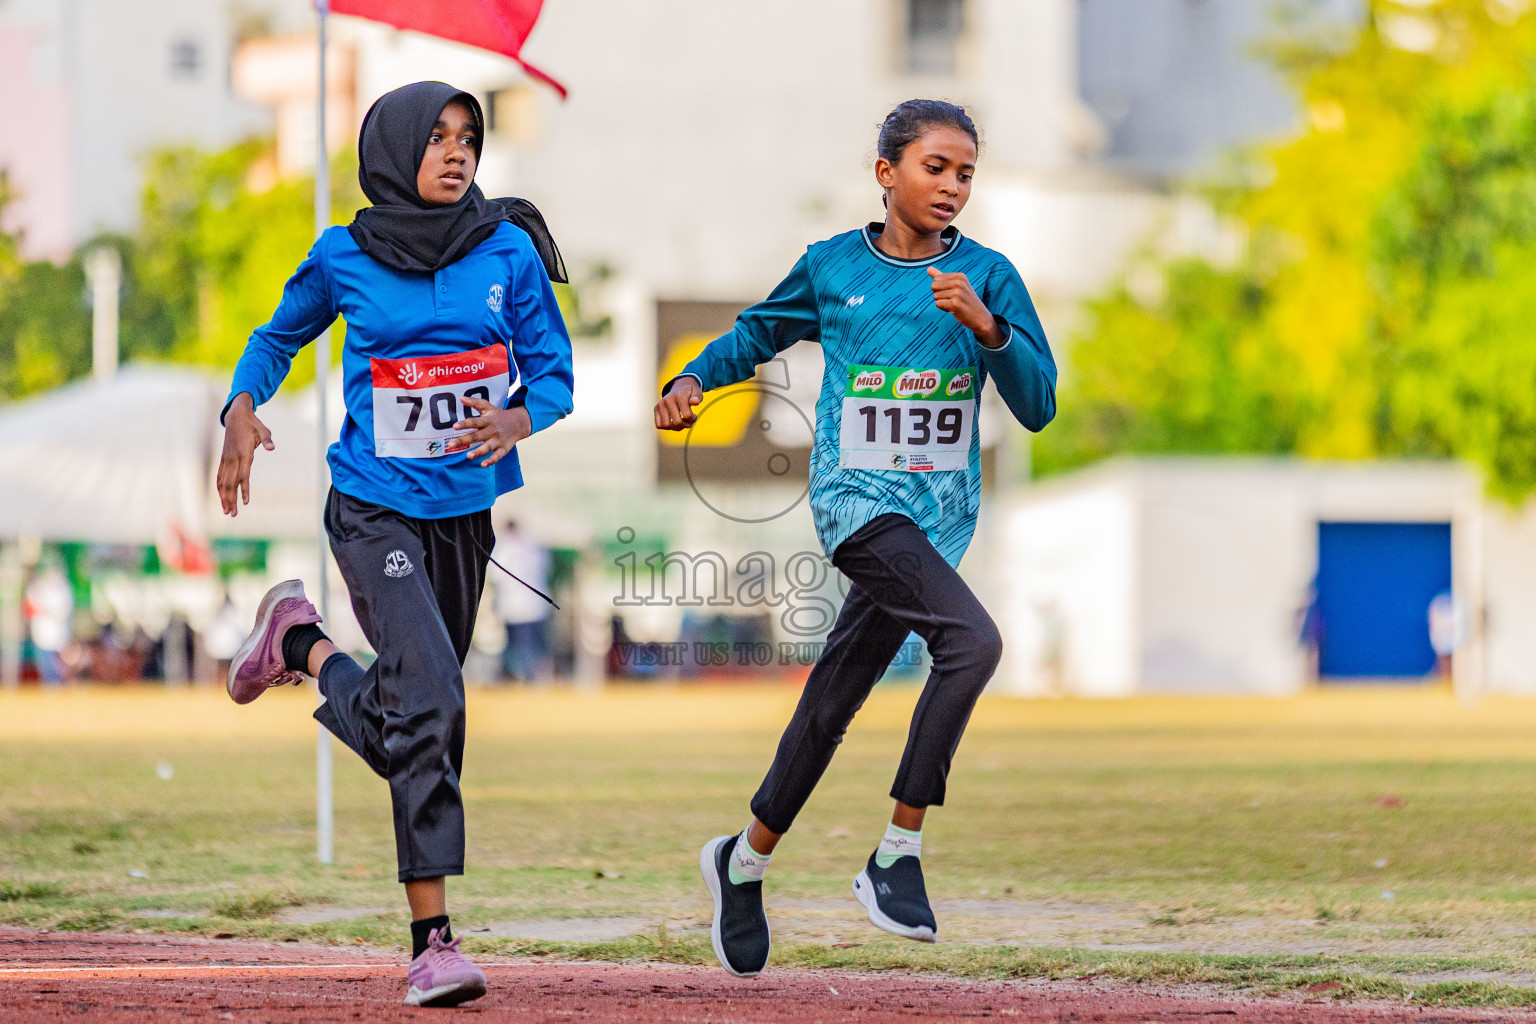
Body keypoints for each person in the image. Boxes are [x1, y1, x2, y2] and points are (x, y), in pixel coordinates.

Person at [654, 100, 1055, 977]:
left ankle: (743, 860)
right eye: (934, 167)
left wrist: (989, 330)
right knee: (974, 642)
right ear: (887, 173)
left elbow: (1040, 403)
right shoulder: (834, 266)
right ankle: (896, 855)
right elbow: (757, 333)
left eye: (965, 174)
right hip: (856, 505)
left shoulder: (989, 275)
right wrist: (692, 378)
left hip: (936, 521)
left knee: (833, 698)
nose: (951, 186)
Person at [215, 81, 574, 1007]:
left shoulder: (508, 249)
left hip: (464, 517)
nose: (456, 153)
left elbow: (557, 375)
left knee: (422, 712)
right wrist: (242, 408)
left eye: (469, 138)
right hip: (374, 506)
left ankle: (296, 642)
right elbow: (275, 336)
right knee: (434, 698)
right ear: (394, 148)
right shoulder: (344, 255)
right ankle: (433, 941)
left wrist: (517, 419)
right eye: (438, 138)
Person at [491, 519, 551, 681]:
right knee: (531, 644)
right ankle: (532, 676)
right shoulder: (534, 546)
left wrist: (494, 605)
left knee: (513, 644)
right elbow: (546, 570)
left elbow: (496, 577)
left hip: (511, 604)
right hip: (535, 605)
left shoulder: (503, 547)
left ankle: (513, 676)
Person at [25, 564, 73, 687]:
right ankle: (52, 685)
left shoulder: (62, 589)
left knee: (58, 664)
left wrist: (46, 610)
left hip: (57, 634)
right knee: (46, 665)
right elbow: (29, 609)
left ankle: (59, 684)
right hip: (41, 634)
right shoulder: (37, 588)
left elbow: (63, 611)